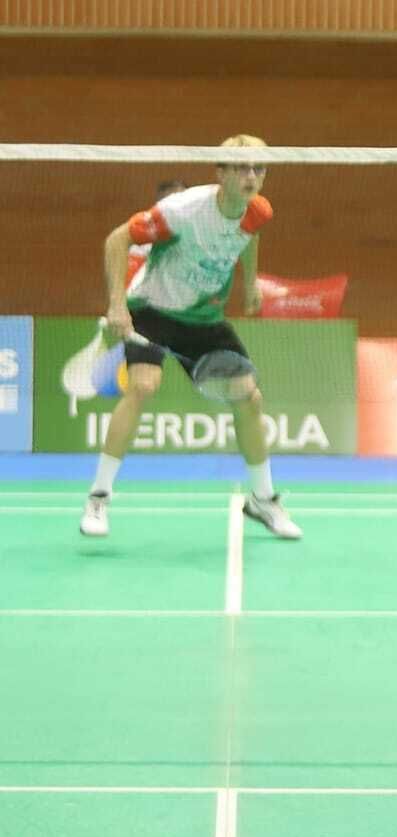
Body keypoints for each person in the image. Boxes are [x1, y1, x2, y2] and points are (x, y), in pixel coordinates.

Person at [80, 135, 301, 541]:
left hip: (202, 317)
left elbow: (249, 237)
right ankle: (98, 497)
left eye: (259, 168)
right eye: (241, 168)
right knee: (143, 387)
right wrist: (116, 304)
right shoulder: (181, 212)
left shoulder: (257, 211)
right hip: (152, 309)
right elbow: (117, 239)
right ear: (221, 172)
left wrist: (249, 283)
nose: (251, 176)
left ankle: (263, 500)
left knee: (249, 397)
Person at [125, 179, 187, 284]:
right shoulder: (140, 244)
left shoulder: (198, 236)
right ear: (159, 207)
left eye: (185, 202)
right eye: (174, 203)